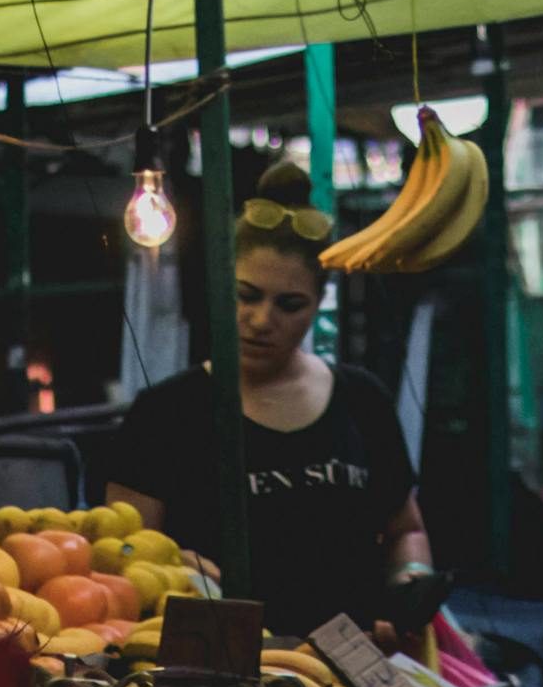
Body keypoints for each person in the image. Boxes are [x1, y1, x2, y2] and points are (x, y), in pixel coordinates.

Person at [102, 161, 431, 644]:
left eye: (288, 305)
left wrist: (411, 580)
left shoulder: (362, 400)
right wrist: (172, 563)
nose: (261, 319)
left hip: (358, 669)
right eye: (245, 296)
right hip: (222, 674)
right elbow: (119, 551)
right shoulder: (164, 414)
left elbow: (406, 528)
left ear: (318, 304)